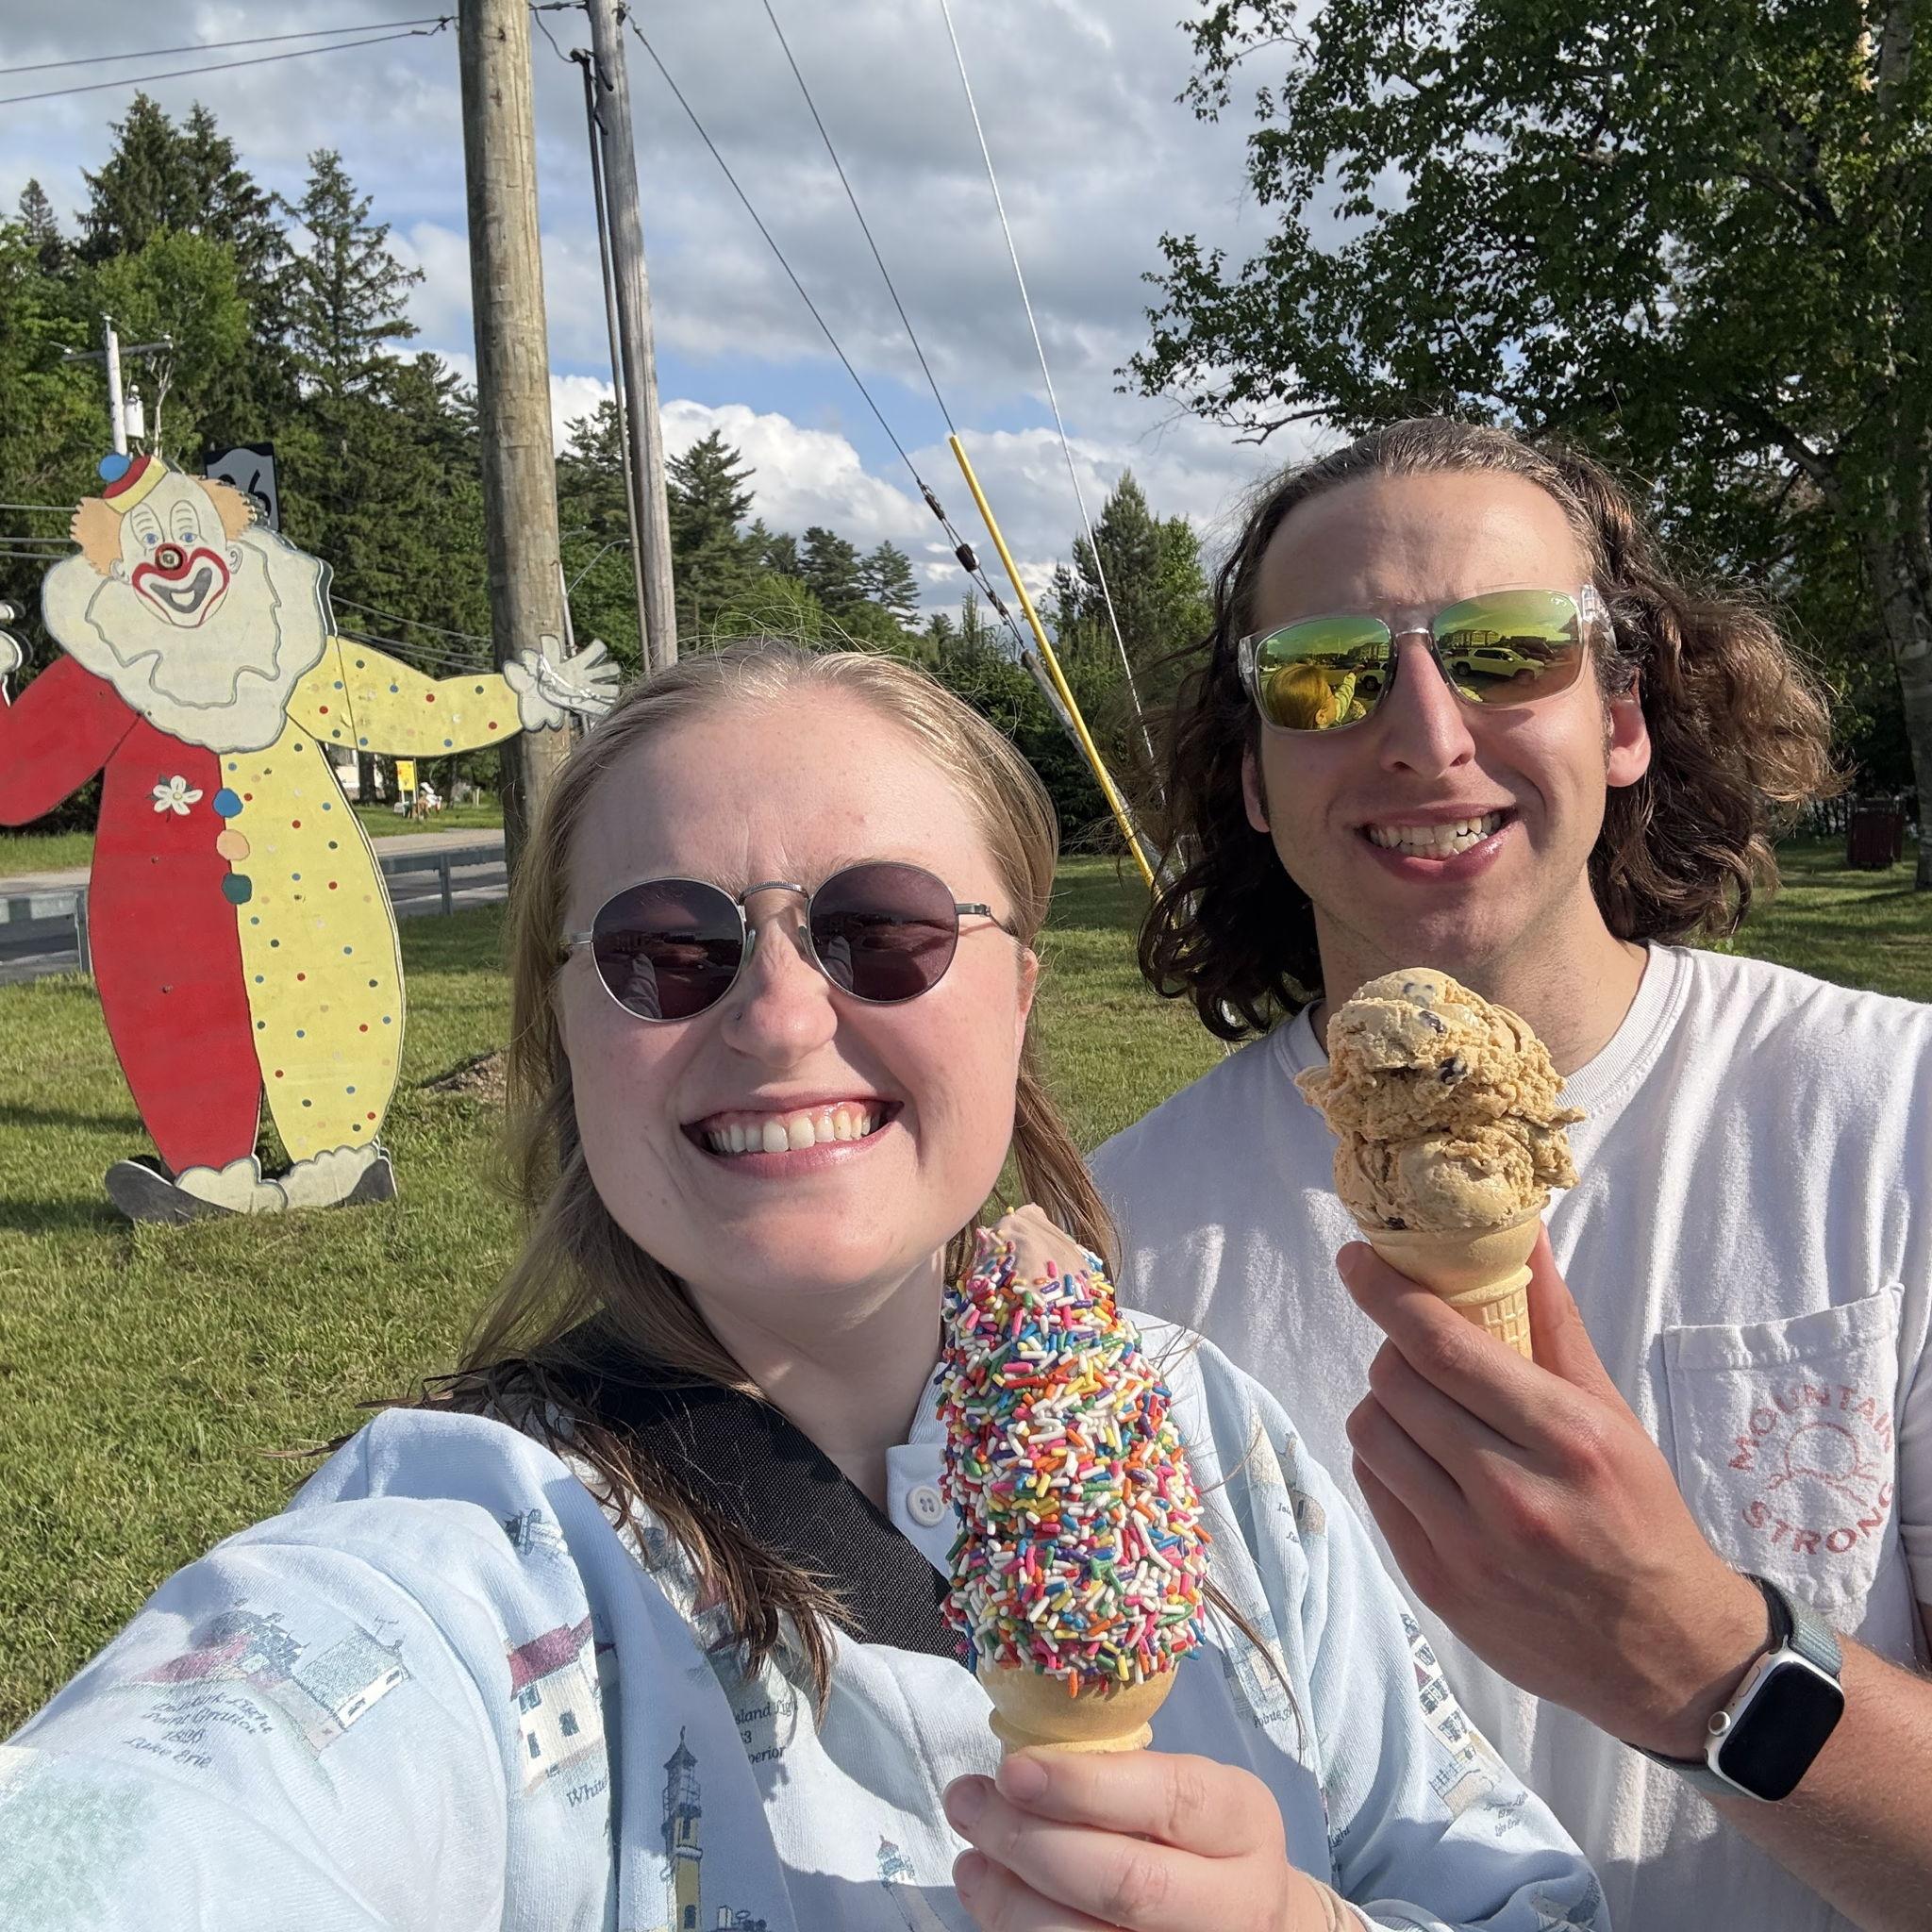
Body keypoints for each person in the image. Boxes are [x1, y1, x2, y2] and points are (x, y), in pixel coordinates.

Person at [0, 643, 1602, 1931]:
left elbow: (1524, 1900)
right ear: (567, 1029)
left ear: (1018, 994)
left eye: (883, 930)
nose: (777, 1015)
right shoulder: (467, 1559)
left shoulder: (1211, 1440)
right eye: (665, 952)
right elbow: (160, 1819)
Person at [1091, 420, 1932, 1932]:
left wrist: (1700, 1665)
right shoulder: (1117, 1254)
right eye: (1327, 672)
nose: (1424, 730)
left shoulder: (1899, 1123)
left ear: (1625, 717)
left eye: (1504, 653)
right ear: (1258, 778)